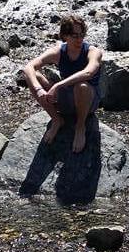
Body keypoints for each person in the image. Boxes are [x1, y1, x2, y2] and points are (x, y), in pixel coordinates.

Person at [23, 15, 102, 153]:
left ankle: (80, 126)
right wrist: (39, 89)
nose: (79, 39)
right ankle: (57, 119)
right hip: (66, 99)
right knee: (33, 75)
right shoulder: (58, 51)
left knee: (81, 86)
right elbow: (29, 67)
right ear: (65, 36)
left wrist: (58, 85)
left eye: (81, 34)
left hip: (88, 101)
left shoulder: (93, 52)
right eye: (74, 35)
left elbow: (88, 73)